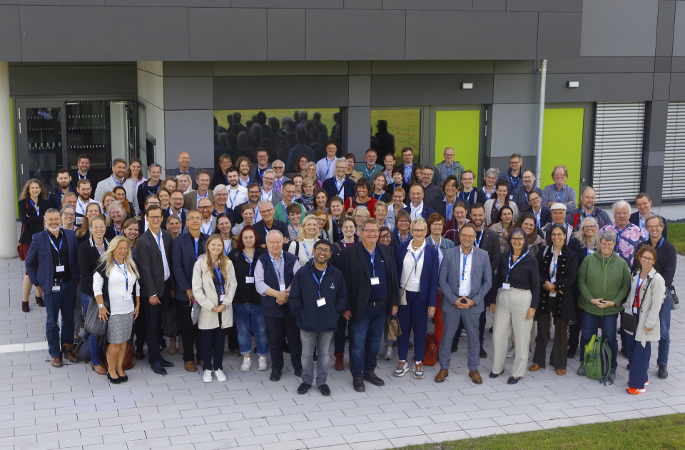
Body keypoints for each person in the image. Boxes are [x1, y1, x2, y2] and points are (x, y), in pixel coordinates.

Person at [339, 218, 400, 392]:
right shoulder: (349, 253)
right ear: (361, 232)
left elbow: (393, 278)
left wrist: (394, 302)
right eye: (369, 231)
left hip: (381, 306)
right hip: (359, 307)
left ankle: (370, 371)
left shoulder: (387, 251)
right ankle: (357, 375)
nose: (372, 234)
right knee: (357, 343)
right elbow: (345, 283)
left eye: (375, 231)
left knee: (374, 341)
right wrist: (346, 307)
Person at [435, 224, 492, 384]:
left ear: (475, 238)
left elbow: (487, 282)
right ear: (459, 236)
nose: (467, 238)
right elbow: (442, 280)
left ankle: (473, 368)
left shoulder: (483, 255)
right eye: (464, 235)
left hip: (472, 304)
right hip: (452, 303)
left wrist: (474, 301)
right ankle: (444, 367)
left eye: (470, 236)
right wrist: (454, 299)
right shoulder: (449, 253)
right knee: (447, 337)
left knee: (474, 338)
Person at [289, 240, 347, 396]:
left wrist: (335, 314)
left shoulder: (336, 274)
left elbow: (342, 297)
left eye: (326, 250)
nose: (322, 252)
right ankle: (306, 381)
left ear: (330, 254)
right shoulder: (302, 273)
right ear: (314, 251)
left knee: (323, 354)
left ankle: (322, 382)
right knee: (306, 354)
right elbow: (294, 296)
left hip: (328, 322)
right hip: (307, 321)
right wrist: (299, 316)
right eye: (320, 249)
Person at [25, 209, 80, 367]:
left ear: (61, 219)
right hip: (51, 286)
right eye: (51, 219)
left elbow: (75, 258)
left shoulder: (70, 236)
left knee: (68, 320)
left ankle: (67, 350)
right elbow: (29, 262)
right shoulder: (38, 238)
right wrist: (37, 284)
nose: (54, 222)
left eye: (57, 218)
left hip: (69, 284)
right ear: (45, 220)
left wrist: (75, 277)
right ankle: (55, 354)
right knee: (51, 322)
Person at [576, 230, 632, 382]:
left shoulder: (621, 263)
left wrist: (615, 301)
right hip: (590, 307)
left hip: (610, 309)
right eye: (604, 243)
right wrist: (590, 299)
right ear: (599, 243)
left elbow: (626, 285)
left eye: (610, 243)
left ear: (615, 245)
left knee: (610, 338)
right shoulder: (589, 260)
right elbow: (580, 280)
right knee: (587, 336)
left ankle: (612, 366)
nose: (606, 246)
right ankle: (584, 362)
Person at [489, 228, 540, 384]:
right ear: (510, 240)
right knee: (499, 334)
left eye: (520, 238)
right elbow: (498, 279)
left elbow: (536, 285)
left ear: (525, 241)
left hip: (523, 297)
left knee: (521, 336)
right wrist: (492, 300)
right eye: (513, 238)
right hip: (504, 296)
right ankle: (498, 367)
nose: (516, 241)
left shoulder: (531, 260)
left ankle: (517, 372)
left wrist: (533, 307)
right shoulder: (505, 257)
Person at [451, 203, 502, 356]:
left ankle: (478, 345)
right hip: (463, 282)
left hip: (482, 284)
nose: (478, 218)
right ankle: (454, 342)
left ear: (484, 216)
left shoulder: (492, 235)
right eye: (475, 215)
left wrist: (481, 274)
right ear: (470, 215)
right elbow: (456, 255)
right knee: (459, 313)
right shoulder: (464, 232)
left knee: (480, 316)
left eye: (480, 215)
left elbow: (496, 259)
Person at [393, 217, 439, 380]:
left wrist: (432, 302)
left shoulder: (432, 252)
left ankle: (419, 361)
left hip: (422, 297)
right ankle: (402, 360)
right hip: (404, 295)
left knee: (420, 331)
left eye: (421, 230)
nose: (418, 233)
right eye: (416, 230)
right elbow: (396, 272)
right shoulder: (403, 247)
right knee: (403, 330)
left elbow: (434, 278)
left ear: (426, 232)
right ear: (411, 231)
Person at [530, 224, 578, 376]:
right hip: (545, 295)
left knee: (561, 331)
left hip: (563, 296)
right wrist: (546, 284)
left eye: (559, 234)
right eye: (553, 234)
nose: (556, 237)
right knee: (543, 330)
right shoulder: (543, 251)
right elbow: (536, 270)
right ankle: (538, 361)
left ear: (565, 235)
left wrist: (555, 286)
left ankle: (559, 363)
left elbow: (571, 277)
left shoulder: (572, 254)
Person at [255, 230, 302, 381]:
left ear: (283, 243)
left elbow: (298, 280)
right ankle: (277, 369)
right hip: (271, 306)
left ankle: (298, 367)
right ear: (266, 243)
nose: (275, 245)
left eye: (278, 242)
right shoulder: (261, 260)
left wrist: (286, 293)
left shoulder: (292, 258)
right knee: (275, 340)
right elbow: (259, 284)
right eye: (272, 242)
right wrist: (277, 294)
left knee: (294, 339)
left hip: (290, 306)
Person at [93, 236, 140, 383]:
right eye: (120, 248)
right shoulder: (104, 265)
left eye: (125, 248)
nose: (123, 251)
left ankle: (120, 368)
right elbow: (97, 288)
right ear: (113, 249)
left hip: (128, 309)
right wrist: (101, 307)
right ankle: (111, 370)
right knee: (114, 342)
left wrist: (137, 304)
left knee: (124, 341)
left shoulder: (130, 264)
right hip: (113, 311)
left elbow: (136, 286)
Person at [192, 235, 237, 383]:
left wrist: (226, 303)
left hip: (223, 308)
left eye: (219, 245)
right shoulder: (200, 264)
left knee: (219, 341)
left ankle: (218, 368)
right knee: (205, 341)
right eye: (213, 245)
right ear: (208, 246)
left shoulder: (228, 263)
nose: (216, 247)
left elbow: (232, 285)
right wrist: (210, 306)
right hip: (208, 309)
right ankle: (207, 369)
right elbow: (196, 289)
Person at [636, 215, 676, 379]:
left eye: (656, 226)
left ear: (661, 227)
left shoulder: (669, 248)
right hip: (642, 294)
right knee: (641, 328)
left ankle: (662, 363)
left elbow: (669, 274)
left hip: (662, 295)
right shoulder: (642, 246)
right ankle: (640, 360)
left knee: (664, 332)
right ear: (646, 228)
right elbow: (636, 268)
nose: (653, 229)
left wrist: (655, 290)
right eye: (650, 226)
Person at [136, 205, 175, 375]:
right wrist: (152, 294)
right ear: (147, 218)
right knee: (151, 326)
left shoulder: (166, 235)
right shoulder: (143, 241)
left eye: (158, 216)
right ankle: (154, 360)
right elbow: (144, 270)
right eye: (152, 217)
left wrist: (171, 287)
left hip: (165, 286)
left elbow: (170, 262)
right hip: (151, 292)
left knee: (160, 324)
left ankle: (159, 355)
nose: (155, 219)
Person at [624, 246, 665, 394]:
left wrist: (650, 323)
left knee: (641, 350)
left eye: (650, 258)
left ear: (654, 261)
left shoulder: (657, 279)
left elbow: (657, 304)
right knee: (631, 347)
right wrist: (625, 308)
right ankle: (643, 376)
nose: (646, 260)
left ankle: (637, 385)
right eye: (644, 257)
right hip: (632, 317)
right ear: (639, 258)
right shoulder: (636, 274)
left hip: (645, 319)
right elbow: (631, 295)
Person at [228, 226, 269, 372]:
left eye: (251, 237)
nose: (248, 240)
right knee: (242, 331)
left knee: (261, 331)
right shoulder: (235, 254)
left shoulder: (263, 253)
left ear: (255, 238)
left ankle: (262, 357)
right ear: (241, 239)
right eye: (245, 237)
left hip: (259, 300)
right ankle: (246, 359)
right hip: (239, 300)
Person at [171, 209, 208, 372]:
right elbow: (176, 266)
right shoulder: (179, 241)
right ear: (186, 222)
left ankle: (201, 356)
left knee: (202, 326)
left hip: (205, 293)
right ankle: (188, 359)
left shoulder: (208, 240)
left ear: (201, 221)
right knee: (187, 327)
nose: (194, 221)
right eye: (191, 218)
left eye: (197, 218)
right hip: (185, 293)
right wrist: (187, 288)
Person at [77, 216, 108, 374]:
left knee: (106, 326)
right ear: (90, 228)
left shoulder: (110, 244)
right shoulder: (84, 247)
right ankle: (95, 361)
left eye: (101, 226)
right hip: (91, 294)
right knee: (95, 328)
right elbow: (85, 274)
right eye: (95, 227)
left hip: (107, 294)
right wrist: (98, 294)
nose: (99, 229)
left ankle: (105, 357)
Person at [567, 217, 600, 358]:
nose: (589, 229)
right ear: (582, 229)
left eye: (592, 226)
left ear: (596, 228)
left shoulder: (600, 243)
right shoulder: (575, 242)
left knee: (591, 318)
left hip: (595, 286)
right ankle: (572, 345)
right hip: (577, 286)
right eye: (586, 227)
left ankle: (589, 346)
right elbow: (571, 261)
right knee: (576, 318)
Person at [19, 179, 49, 312]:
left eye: (37, 187)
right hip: (28, 239)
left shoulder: (45, 203)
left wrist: (34, 219)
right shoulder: (23, 203)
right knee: (29, 269)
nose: (35, 190)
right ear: (28, 190)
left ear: (41, 189)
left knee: (41, 266)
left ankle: (39, 296)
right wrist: (41, 218)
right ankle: (25, 301)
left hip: (43, 238)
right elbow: (24, 220)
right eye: (32, 188)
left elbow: (48, 219)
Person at [600, 200, 647, 268]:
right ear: (614, 215)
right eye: (619, 213)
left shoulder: (638, 232)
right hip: (607, 272)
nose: (622, 216)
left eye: (625, 213)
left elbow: (643, 253)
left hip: (630, 273)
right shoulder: (604, 231)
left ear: (629, 215)